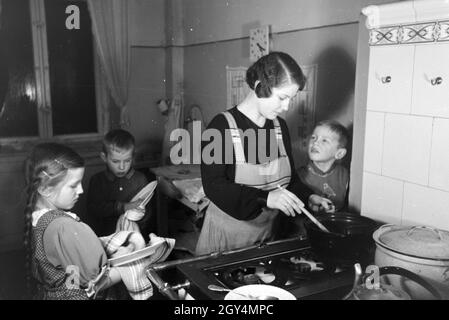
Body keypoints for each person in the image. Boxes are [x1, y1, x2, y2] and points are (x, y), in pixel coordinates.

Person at [195, 52, 333, 255]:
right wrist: (266, 198)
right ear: (260, 86)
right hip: (223, 244)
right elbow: (213, 185)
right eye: (282, 98)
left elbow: (288, 179)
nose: (286, 107)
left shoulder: (280, 127)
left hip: (265, 240)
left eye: (290, 99)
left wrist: (308, 196)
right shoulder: (221, 126)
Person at [23, 143, 126, 299]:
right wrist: (128, 263)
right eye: (73, 185)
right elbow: (95, 281)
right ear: (45, 189)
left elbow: (71, 270)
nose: (81, 190)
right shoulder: (63, 227)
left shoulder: (39, 218)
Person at [87, 129, 151, 238]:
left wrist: (141, 214)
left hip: (134, 237)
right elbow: (94, 210)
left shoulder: (140, 179)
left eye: (127, 161)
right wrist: (123, 207)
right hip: (106, 237)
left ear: (133, 157)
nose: (122, 167)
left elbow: (148, 213)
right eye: (115, 161)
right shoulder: (97, 180)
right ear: (104, 157)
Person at [298, 120, 349, 213]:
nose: (315, 143)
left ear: (339, 153)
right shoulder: (299, 175)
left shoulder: (345, 175)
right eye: (313, 137)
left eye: (324, 140)